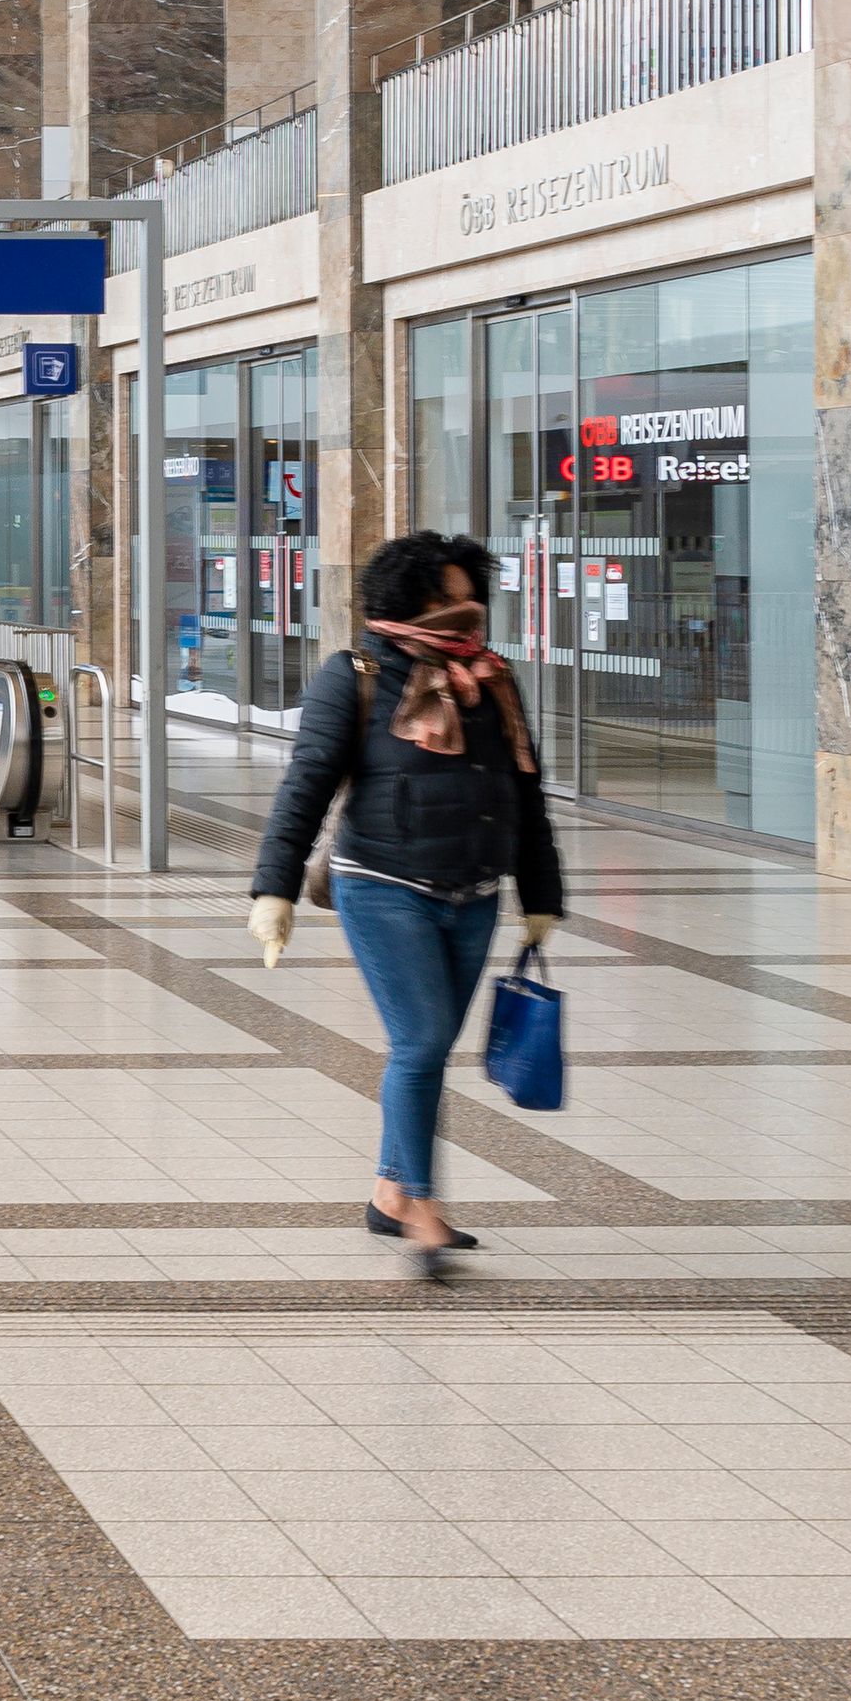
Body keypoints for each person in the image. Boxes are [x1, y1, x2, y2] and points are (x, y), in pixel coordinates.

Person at [247, 531, 563, 1278]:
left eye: (470, 594)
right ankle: (422, 1206)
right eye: (448, 597)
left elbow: (524, 792)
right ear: (407, 601)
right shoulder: (355, 674)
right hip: (383, 886)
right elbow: (307, 783)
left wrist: (541, 893)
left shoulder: (492, 678)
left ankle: (390, 1191)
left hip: (474, 892)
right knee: (420, 1043)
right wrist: (274, 887)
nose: (466, 609)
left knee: (429, 1048)